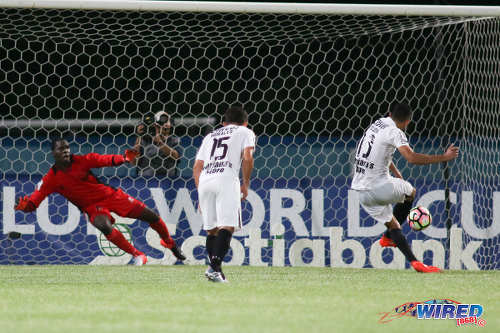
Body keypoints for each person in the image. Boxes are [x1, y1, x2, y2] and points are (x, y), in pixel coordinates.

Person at [14, 138, 186, 265]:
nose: (66, 151)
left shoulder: (81, 160)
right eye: (61, 149)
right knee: (103, 225)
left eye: (67, 148)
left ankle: (169, 242)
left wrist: (124, 159)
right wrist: (26, 207)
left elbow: (102, 160)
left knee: (152, 217)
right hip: (92, 207)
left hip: (111, 196)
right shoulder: (51, 179)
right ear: (53, 153)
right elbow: (34, 201)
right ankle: (138, 255)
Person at [350, 103, 459, 273]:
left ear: (389, 113)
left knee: (393, 226)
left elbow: (379, 153)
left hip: (360, 190)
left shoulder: (377, 124)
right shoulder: (395, 132)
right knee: (411, 192)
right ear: (408, 122)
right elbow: (412, 158)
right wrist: (444, 157)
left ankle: (414, 262)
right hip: (378, 187)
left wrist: (396, 173)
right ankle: (388, 238)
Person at [193, 106, 256, 282]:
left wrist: (200, 192)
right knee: (227, 226)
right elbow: (248, 156)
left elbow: (197, 167)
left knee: (212, 231)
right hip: (226, 179)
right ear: (245, 122)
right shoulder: (245, 131)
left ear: (223, 123)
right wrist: (246, 183)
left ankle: (216, 271)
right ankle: (214, 268)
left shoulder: (210, 136)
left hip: (205, 180)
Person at [134, 111, 182, 178]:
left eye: (168, 121)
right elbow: (134, 161)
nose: (166, 124)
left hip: (168, 180)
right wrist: (139, 136)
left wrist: (160, 143)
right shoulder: (144, 139)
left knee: (171, 171)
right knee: (150, 170)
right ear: (155, 125)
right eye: (163, 121)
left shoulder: (174, 140)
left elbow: (176, 156)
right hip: (146, 180)